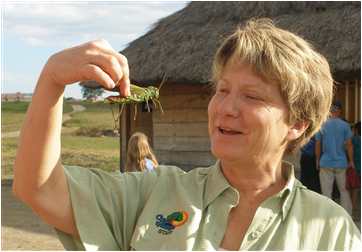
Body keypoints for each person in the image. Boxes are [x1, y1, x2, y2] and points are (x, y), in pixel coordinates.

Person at [13, 18, 361, 250]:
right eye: (221, 90)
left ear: (298, 123)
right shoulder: (154, 192)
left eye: (252, 96)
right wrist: (52, 80)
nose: (225, 107)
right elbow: (39, 188)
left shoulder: (331, 231)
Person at [315, 101, 354, 216]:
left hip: (325, 162)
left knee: (327, 192)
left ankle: (327, 215)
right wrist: (351, 161)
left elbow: (318, 143)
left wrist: (317, 159)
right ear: (340, 111)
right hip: (341, 163)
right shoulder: (345, 125)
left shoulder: (322, 125)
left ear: (329, 111)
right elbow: (349, 145)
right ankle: (347, 215)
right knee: (344, 190)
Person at [346, 121, 361, 215]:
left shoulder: (354, 139)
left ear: (355, 130)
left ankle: (353, 209)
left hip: (354, 167)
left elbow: (347, 148)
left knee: (353, 188)